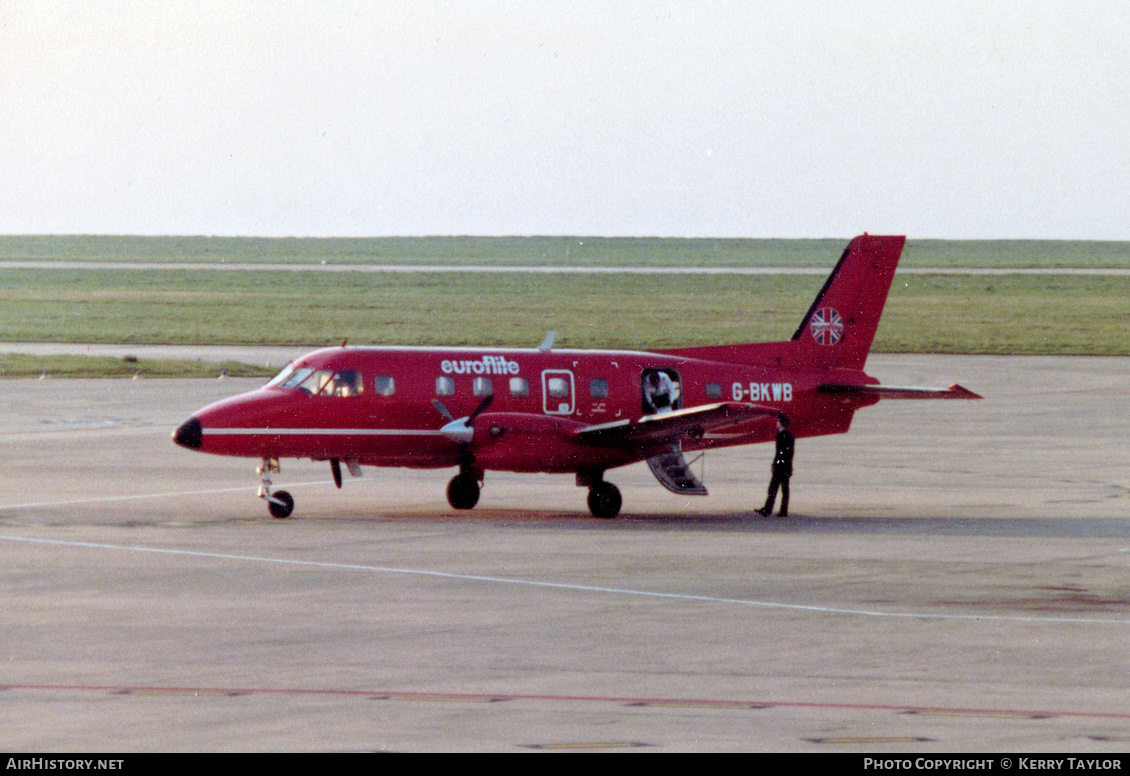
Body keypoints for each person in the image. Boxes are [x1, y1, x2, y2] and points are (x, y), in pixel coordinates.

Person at [756, 414, 794, 517]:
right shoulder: (790, 436)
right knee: (784, 490)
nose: (776, 423)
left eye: (777, 421)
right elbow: (789, 453)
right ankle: (783, 510)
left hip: (780, 467)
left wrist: (775, 464)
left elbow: (780, 453)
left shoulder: (781, 435)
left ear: (781, 423)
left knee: (773, 489)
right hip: (786, 467)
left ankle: (768, 510)